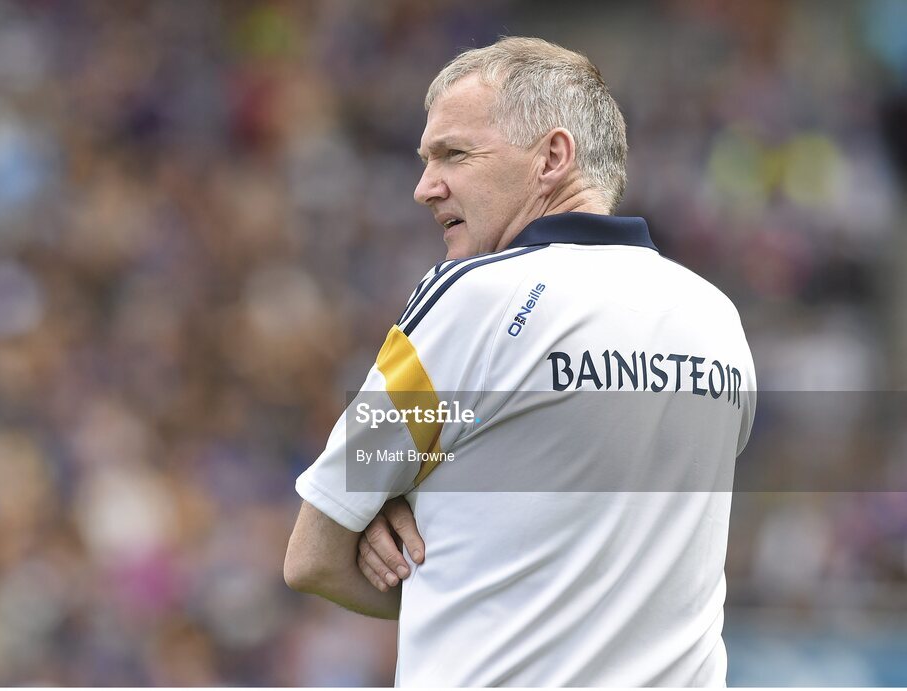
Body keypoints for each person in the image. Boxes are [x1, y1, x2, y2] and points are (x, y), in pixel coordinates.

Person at [284, 36, 755, 686]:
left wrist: (393, 519)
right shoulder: (717, 319)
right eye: (424, 159)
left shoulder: (469, 298)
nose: (424, 187)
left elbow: (312, 553)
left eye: (453, 154)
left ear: (551, 158)